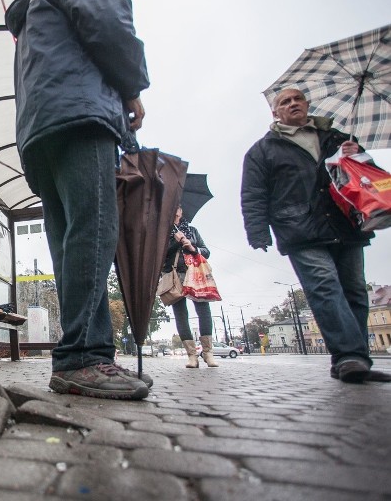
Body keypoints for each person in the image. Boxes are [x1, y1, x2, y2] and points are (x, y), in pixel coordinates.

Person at [4, 0, 150, 399]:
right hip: (80, 119)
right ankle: (81, 358)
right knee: (95, 230)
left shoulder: (31, 16)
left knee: (71, 240)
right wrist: (132, 88)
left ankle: (90, 355)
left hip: (40, 132)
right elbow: (108, 25)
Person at [241, 88, 391, 383]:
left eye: (298, 99)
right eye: (285, 101)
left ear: (307, 105)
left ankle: (351, 359)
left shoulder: (336, 139)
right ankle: (351, 356)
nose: (293, 103)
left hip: (345, 224)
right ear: (275, 112)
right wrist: (257, 231)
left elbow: (366, 177)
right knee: (324, 286)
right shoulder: (263, 150)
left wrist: (357, 156)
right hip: (298, 227)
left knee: (355, 290)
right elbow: (253, 194)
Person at [163, 206, 218, 368]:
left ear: (181, 211)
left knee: (204, 311)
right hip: (175, 276)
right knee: (181, 315)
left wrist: (192, 248)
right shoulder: (164, 232)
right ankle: (192, 356)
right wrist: (175, 241)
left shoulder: (192, 230)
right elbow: (161, 255)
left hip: (195, 274)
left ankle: (208, 353)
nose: (175, 209)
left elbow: (206, 251)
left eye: (178, 206)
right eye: (172, 205)